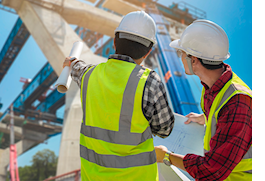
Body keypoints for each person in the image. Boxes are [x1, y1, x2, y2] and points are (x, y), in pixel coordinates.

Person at [62, 11, 175, 181]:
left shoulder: (89, 75)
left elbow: (77, 68)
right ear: (148, 52)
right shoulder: (149, 82)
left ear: (114, 42)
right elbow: (165, 129)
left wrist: (71, 63)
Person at [154, 19, 252, 181]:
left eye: (182, 53)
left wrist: (166, 156)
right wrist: (206, 118)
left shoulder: (238, 101)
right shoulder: (212, 87)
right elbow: (224, 115)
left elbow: (213, 171)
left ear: (193, 60)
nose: (180, 57)